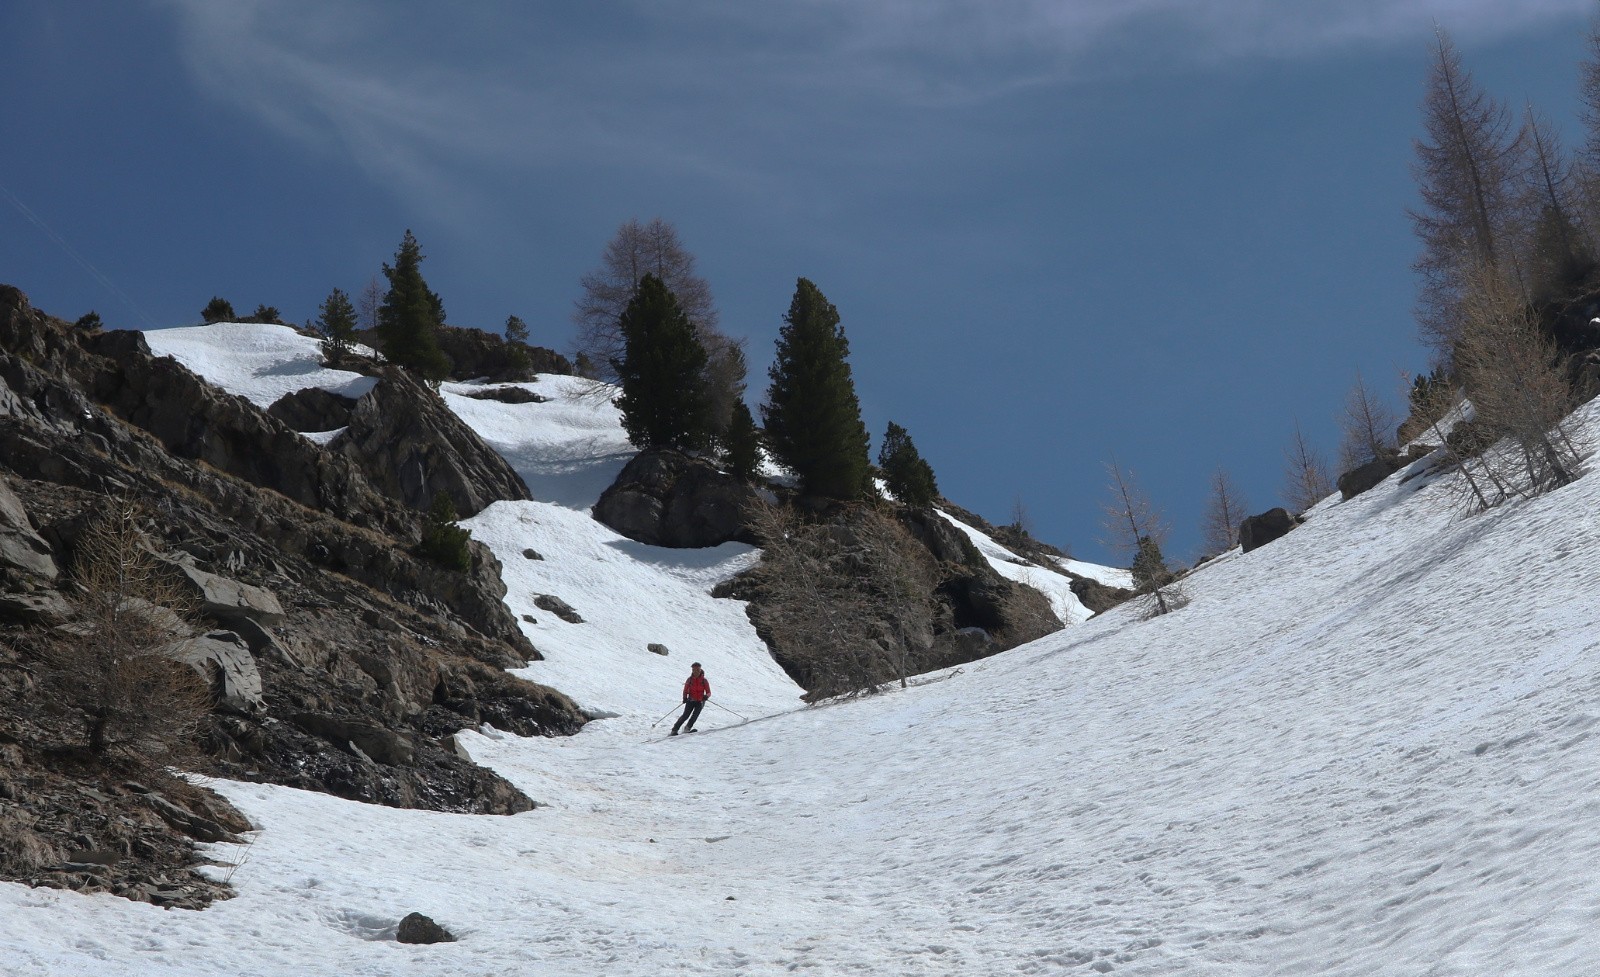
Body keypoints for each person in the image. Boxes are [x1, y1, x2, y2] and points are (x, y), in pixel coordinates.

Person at [670, 662, 710, 735]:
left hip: (700, 702)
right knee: (685, 715)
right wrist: (684, 698)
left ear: (700, 670)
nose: (695, 671)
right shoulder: (689, 680)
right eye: (694, 670)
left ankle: (687, 728)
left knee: (695, 716)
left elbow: (708, 692)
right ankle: (674, 729)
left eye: (697, 670)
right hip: (690, 700)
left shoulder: (704, 680)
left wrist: (706, 696)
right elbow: (685, 690)